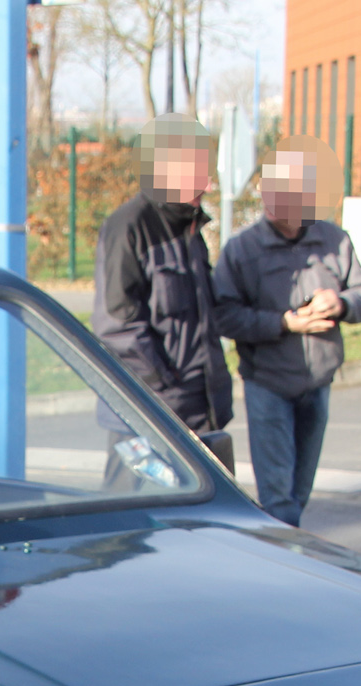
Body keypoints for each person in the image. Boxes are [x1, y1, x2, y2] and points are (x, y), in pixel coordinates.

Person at [212, 136, 361, 525]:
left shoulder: (334, 240)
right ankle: (284, 572)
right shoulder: (243, 249)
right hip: (268, 383)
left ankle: (285, 553)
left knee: (299, 493)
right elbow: (224, 315)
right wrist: (284, 323)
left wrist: (342, 304)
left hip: (318, 382)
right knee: (279, 499)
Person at [93, 113, 234, 469]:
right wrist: (166, 386)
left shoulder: (191, 229)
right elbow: (117, 326)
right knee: (139, 517)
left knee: (208, 522)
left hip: (202, 411)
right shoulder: (129, 227)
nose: (208, 182)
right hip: (149, 415)